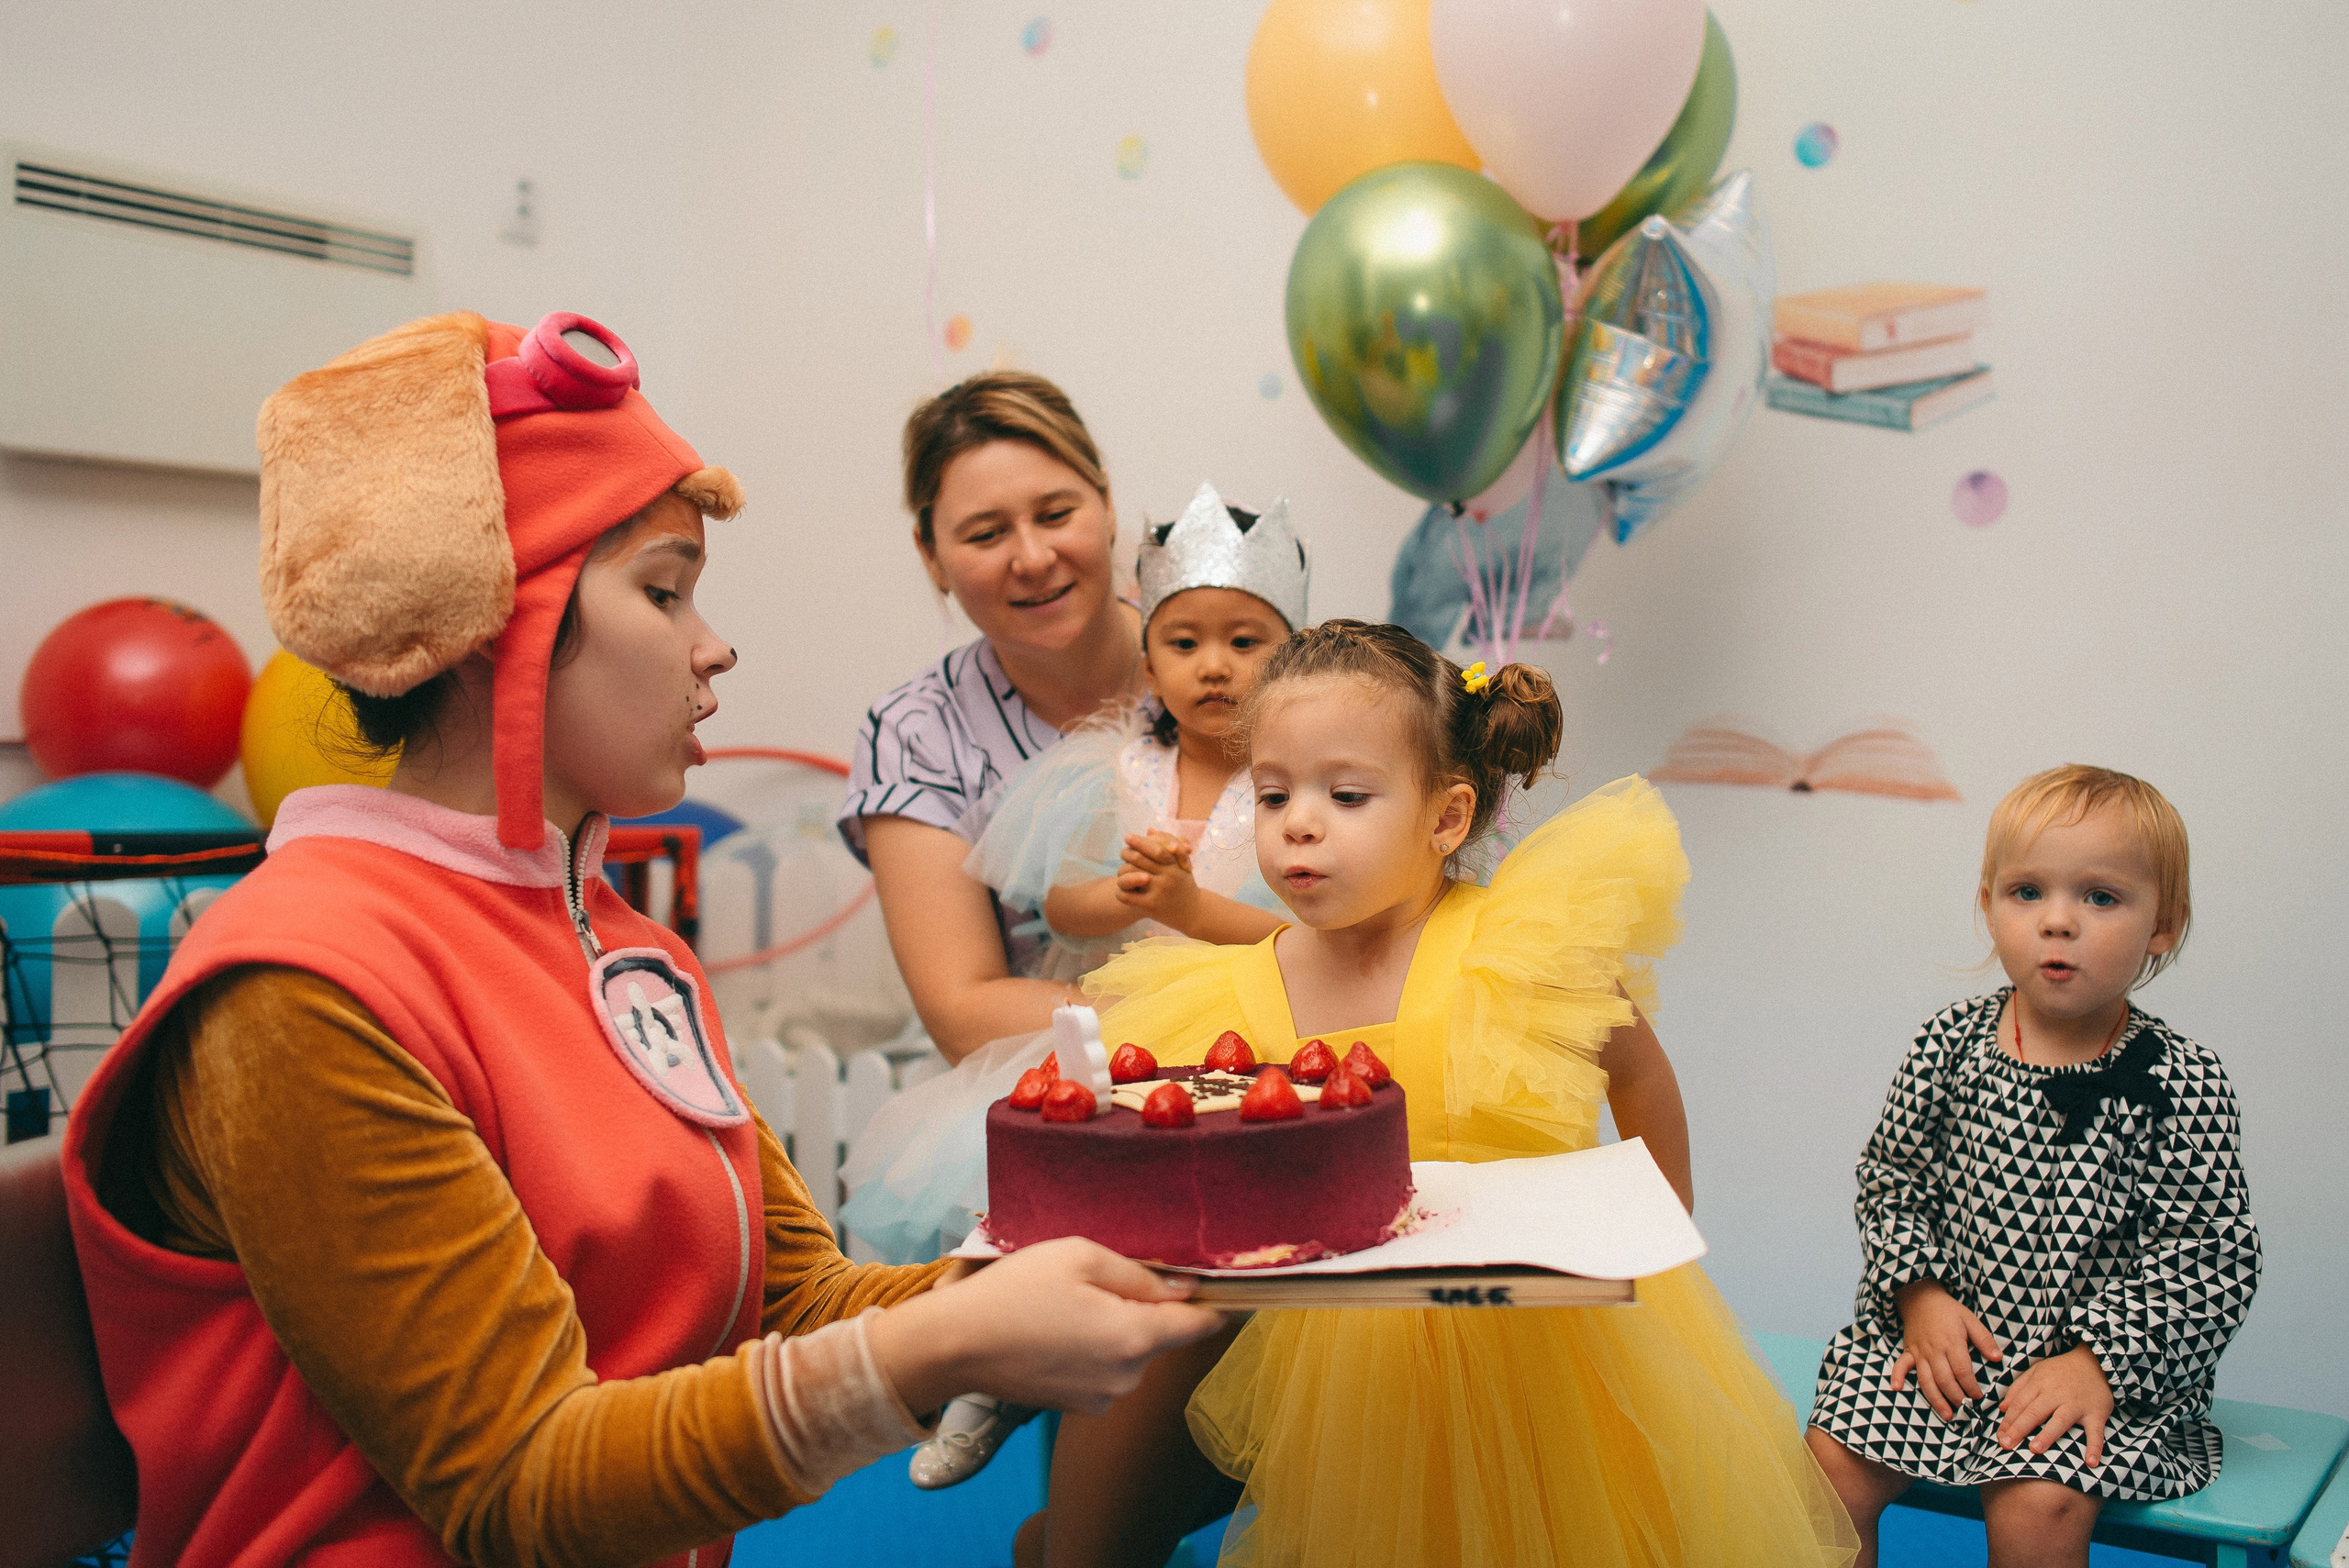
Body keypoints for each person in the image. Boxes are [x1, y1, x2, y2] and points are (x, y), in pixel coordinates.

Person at [60, 312, 1222, 1568]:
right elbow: (518, 1485)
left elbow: (798, 1299)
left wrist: (1097, 1270)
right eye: (665, 591)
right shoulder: (302, 986)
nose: (714, 646)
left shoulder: (623, 944)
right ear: (496, 628)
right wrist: (938, 1345)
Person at [1028, 620, 1855, 1568]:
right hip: (1342, 1356)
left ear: (1446, 817)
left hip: (1526, 1344)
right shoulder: (1235, 989)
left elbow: (1636, 1071)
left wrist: (1657, 1232)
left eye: (1345, 794)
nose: (1298, 821)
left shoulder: (1516, 952)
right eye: (1271, 793)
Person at [844, 481, 1305, 1488]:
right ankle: (993, 1372)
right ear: (1149, 658)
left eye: (1246, 642)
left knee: (1182, 1234)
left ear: (1294, 657)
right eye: (1185, 644)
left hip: (1245, 1035)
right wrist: (1124, 893)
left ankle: (1108, 1430)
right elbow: (1060, 907)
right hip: (1120, 1021)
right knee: (1058, 1172)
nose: (1214, 667)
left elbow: (1299, 934)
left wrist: (1191, 908)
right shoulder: (1111, 767)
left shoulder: (1295, 780)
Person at [1806, 765, 2261, 1568]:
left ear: (2164, 923)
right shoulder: (1947, 1045)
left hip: (2100, 1374)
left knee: (2038, 1505)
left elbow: (2210, 1254)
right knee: (1827, 1470)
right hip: (1953, 1351)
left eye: (2101, 897)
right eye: (2027, 892)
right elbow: (1891, 1182)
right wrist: (1919, 1295)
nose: (2058, 921)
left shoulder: (2178, 1079)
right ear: (1987, 904)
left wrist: (2097, 1362)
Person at [840, 372, 1144, 1064]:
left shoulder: (1231, 660)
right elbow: (962, 1008)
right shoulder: (915, 734)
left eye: (1057, 514)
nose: (1033, 558)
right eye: (985, 533)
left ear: (1108, 504)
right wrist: (1210, 1017)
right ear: (931, 555)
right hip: (1052, 1103)